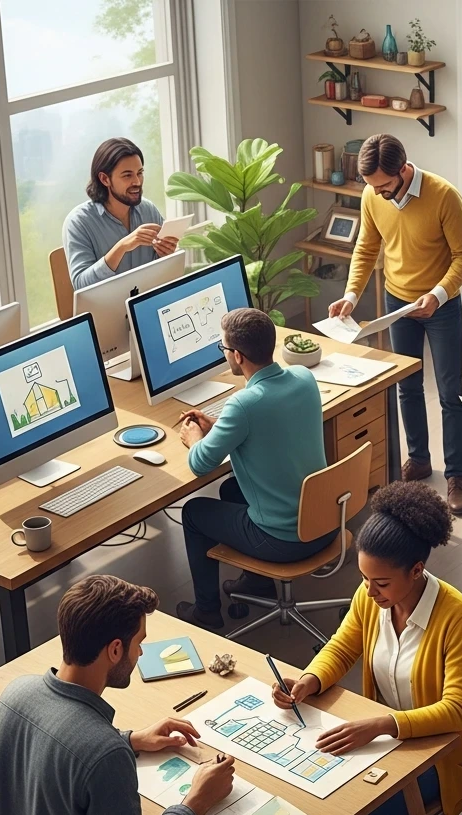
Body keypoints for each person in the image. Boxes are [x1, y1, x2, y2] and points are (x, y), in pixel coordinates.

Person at [270, 481, 462, 815]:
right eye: (364, 578)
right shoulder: (371, 597)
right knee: (324, 790)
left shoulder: (458, 617)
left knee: (366, 811)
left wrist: (382, 724)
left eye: (381, 582)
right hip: (386, 742)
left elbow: (459, 711)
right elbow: (341, 647)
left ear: (417, 571)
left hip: (444, 753)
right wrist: (309, 680)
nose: (369, 591)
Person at [0, 575, 235, 815]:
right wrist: (197, 801)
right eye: (139, 643)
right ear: (116, 649)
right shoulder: (104, 754)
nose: (141, 653)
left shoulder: (15, 694)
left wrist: (130, 739)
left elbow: (64, 748)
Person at [327, 134, 462, 514]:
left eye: (384, 186)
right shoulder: (372, 195)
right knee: (407, 386)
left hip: (441, 306)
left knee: (450, 392)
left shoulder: (443, 196)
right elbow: (366, 248)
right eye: (372, 186)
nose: (378, 193)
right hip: (398, 303)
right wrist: (351, 296)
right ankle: (419, 459)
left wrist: (438, 295)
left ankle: (455, 475)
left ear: (404, 170)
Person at [175, 308, 334, 630]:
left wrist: (194, 438)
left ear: (237, 355)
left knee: (193, 512)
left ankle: (207, 611)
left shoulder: (243, 404)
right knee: (230, 488)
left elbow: (199, 464)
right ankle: (257, 583)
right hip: (325, 521)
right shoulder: (303, 377)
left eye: (223, 348)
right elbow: (271, 428)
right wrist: (221, 426)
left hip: (286, 540)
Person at [63, 137, 176, 290]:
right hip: (106, 305)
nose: (137, 182)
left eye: (140, 173)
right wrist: (122, 247)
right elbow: (81, 286)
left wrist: (165, 254)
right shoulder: (79, 222)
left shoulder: (148, 210)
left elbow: (159, 270)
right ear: (105, 179)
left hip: (145, 301)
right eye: (127, 175)